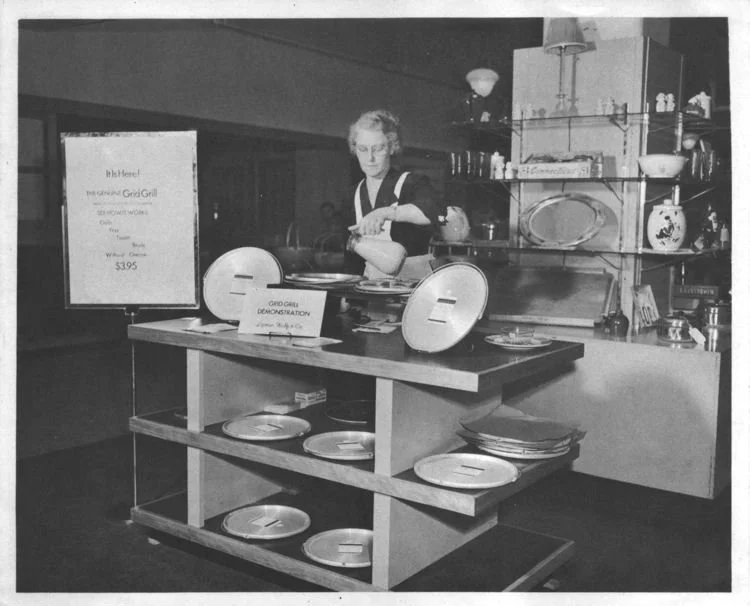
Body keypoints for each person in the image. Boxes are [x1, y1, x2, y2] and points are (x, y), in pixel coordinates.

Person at [343, 109, 443, 279]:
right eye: (363, 149)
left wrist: (385, 212)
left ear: (391, 147)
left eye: (378, 148)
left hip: (412, 292)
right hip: (373, 292)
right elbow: (352, 259)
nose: (370, 158)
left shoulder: (412, 183)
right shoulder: (352, 195)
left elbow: (432, 212)